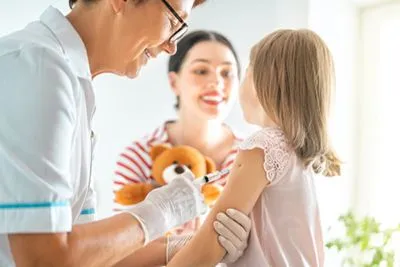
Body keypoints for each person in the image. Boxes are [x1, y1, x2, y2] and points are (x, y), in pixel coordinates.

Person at [0, 1, 251, 266]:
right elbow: (46, 260)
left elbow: (87, 254)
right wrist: (161, 212)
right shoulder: (39, 67)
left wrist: (185, 245)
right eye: (173, 21)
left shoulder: (72, 84)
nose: (171, 46)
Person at [165, 29, 342, 267]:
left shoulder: (262, 147)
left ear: (262, 82)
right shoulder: (297, 152)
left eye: (244, 72)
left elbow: (208, 244)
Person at [113, 30, 243, 237]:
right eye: (201, 71)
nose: (216, 82)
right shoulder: (139, 156)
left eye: (227, 73)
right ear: (174, 82)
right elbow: (123, 251)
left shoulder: (253, 156)